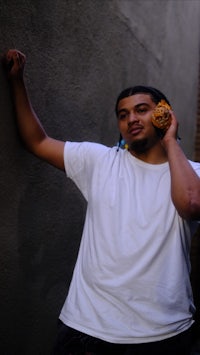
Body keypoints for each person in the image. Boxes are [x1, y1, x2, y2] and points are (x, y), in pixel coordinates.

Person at [3, 49, 200, 355]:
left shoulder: (194, 174)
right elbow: (37, 141)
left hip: (164, 336)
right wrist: (16, 81)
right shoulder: (99, 161)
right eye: (123, 114)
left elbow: (190, 204)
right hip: (85, 331)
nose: (131, 119)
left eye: (142, 110)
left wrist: (170, 139)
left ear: (164, 114)